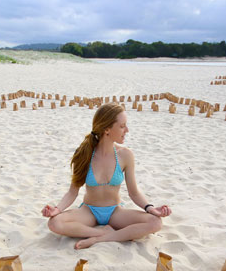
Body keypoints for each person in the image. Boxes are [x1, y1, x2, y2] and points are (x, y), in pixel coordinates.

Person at [41, 102, 171, 249]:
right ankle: (100, 232)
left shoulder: (125, 155)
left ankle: (100, 238)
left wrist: (151, 208)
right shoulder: (84, 154)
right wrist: (56, 210)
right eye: (122, 126)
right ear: (107, 129)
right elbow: (73, 192)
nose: (127, 130)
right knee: (54, 222)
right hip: (89, 211)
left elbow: (134, 193)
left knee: (155, 222)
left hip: (115, 212)